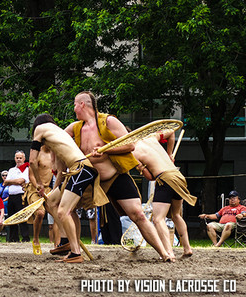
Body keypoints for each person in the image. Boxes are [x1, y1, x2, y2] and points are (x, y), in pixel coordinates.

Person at [64, 91, 170, 262]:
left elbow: (131, 144)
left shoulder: (109, 121)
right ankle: (72, 250)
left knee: (138, 215)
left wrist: (105, 149)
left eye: (75, 104)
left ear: (83, 104)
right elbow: (56, 139)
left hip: (114, 176)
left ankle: (164, 253)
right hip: (90, 180)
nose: (74, 108)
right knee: (65, 209)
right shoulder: (75, 128)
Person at [31, 113, 107, 263]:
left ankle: (75, 252)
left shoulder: (40, 128)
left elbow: (32, 161)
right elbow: (60, 171)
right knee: (52, 202)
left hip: (80, 169)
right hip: (78, 170)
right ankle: (67, 241)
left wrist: (39, 184)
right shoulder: (59, 135)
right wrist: (54, 191)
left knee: (63, 211)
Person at [133, 130, 197, 259]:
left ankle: (169, 252)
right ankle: (187, 248)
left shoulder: (133, 153)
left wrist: (144, 168)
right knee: (176, 215)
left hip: (164, 178)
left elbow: (150, 177)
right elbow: (171, 133)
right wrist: (169, 155)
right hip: (178, 176)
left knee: (158, 218)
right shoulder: (151, 137)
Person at [24, 145, 55, 254]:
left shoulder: (55, 153)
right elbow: (31, 175)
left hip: (49, 189)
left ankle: (59, 244)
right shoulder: (36, 153)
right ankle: (36, 240)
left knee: (59, 215)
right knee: (41, 213)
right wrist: (38, 186)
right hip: (35, 188)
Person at [4, 150, 30, 242]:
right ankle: (13, 237)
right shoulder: (11, 170)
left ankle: (25, 237)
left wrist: (12, 181)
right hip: (11, 196)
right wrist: (15, 181)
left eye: (20, 158)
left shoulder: (27, 169)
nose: (19, 160)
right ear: (15, 159)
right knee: (12, 217)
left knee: (22, 217)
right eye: (17, 158)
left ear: (24, 159)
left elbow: (21, 181)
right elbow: (5, 182)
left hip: (21, 195)